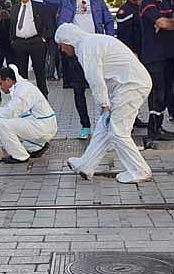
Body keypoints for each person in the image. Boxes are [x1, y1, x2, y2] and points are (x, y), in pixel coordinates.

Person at [55, 24, 153, 184]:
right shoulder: (90, 42)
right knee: (104, 127)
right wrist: (105, 105)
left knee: (118, 131)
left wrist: (104, 104)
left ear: (67, 42)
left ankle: (140, 171)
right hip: (128, 84)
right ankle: (86, 165)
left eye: (61, 45)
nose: (62, 50)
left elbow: (95, 80)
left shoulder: (86, 48)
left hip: (131, 85)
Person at [43, 0, 114, 139]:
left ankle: (107, 122)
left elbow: (108, 21)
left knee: (101, 87)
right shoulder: (66, 0)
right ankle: (85, 126)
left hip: (96, 51)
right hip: (75, 52)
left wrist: (109, 40)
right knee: (78, 90)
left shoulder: (97, 0)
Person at [139, 0, 174, 142]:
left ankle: (159, 125)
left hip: (169, 54)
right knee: (157, 92)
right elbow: (162, 23)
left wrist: (168, 23)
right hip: (154, 56)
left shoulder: (166, 1)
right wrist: (167, 22)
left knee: (167, 91)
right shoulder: (147, 3)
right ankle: (153, 129)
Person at [0, 65, 56, 164]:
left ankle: (20, 156)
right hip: (42, 124)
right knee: (5, 124)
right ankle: (36, 147)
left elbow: (9, 112)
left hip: (43, 127)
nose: (0, 87)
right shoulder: (20, 87)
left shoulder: (23, 90)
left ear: (8, 80)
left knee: (2, 123)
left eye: (1, 83)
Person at [116, 0, 147, 129]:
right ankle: (128, 120)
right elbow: (124, 36)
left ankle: (134, 117)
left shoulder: (142, 8)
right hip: (132, 55)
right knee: (130, 90)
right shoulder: (125, 11)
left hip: (144, 52)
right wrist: (132, 53)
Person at [10, 0, 48, 97]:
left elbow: (46, 22)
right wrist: (12, 40)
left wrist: (44, 38)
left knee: (39, 70)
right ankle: (24, 96)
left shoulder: (39, 7)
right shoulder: (15, 8)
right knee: (21, 73)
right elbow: (12, 25)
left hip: (36, 42)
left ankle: (43, 95)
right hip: (19, 43)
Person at [0, 0, 15, 69]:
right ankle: (10, 68)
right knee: (9, 56)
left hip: (1, 40)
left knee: (1, 55)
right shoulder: (12, 16)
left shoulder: (0, 18)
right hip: (9, 39)